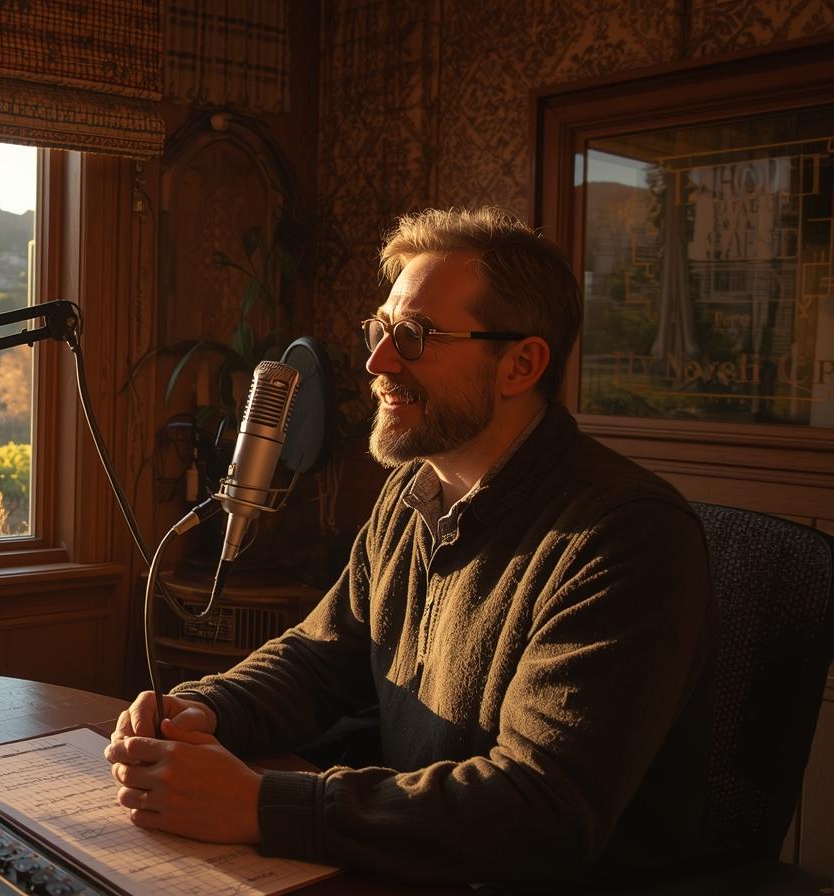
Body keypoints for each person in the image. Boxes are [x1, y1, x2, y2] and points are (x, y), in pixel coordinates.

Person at [105, 207, 715, 885]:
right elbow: (318, 658)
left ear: (520, 364)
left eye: (416, 336)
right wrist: (211, 707)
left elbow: (543, 808)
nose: (377, 361)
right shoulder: (411, 494)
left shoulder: (626, 535)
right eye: (382, 329)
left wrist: (260, 805)